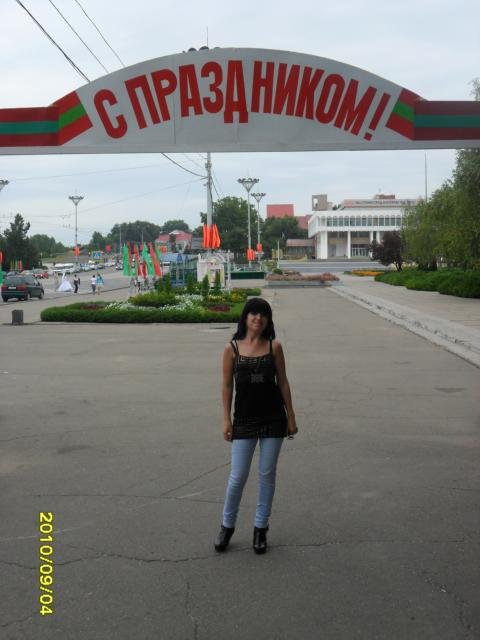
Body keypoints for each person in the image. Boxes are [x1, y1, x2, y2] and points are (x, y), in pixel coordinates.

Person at [214, 297, 297, 555]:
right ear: (245, 317)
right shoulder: (232, 348)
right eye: (253, 313)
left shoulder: (274, 346)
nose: (257, 318)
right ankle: (227, 526)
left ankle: (261, 528)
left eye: (263, 314)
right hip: (244, 420)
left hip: (273, 419)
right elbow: (226, 386)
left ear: (268, 320)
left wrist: (291, 416)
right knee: (237, 476)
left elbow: (283, 382)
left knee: (266, 474)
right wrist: (226, 419)